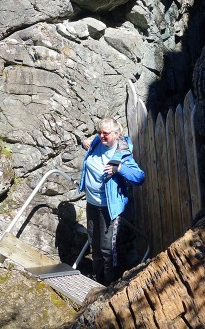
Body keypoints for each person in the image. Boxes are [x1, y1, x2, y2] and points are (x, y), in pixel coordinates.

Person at [79, 117, 145, 285]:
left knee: (108, 250)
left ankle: (110, 286)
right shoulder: (96, 142)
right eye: (99, 132)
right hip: (92, 204)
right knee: (95, 245)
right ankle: (97, 280)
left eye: (106, 133)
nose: (102, 136)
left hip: (110, 208)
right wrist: (84, 142)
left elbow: (139, 177)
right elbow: (88, 142)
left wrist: (120, 169)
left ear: (116, 133)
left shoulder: (122, 154)